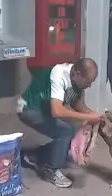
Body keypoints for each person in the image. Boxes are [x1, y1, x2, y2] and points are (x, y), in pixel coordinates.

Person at [17, 58, 103, 188]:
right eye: (88, 82)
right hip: (28, 108)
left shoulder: (76, 80)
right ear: (78, 74)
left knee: (73, 131)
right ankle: (50, 170)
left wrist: (93, 116)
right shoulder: (59, 75)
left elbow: (76, 103)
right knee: (65, 132)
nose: (89, 86)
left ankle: (34, 156)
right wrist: (86, 117)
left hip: (43, 110)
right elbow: (57, 111)